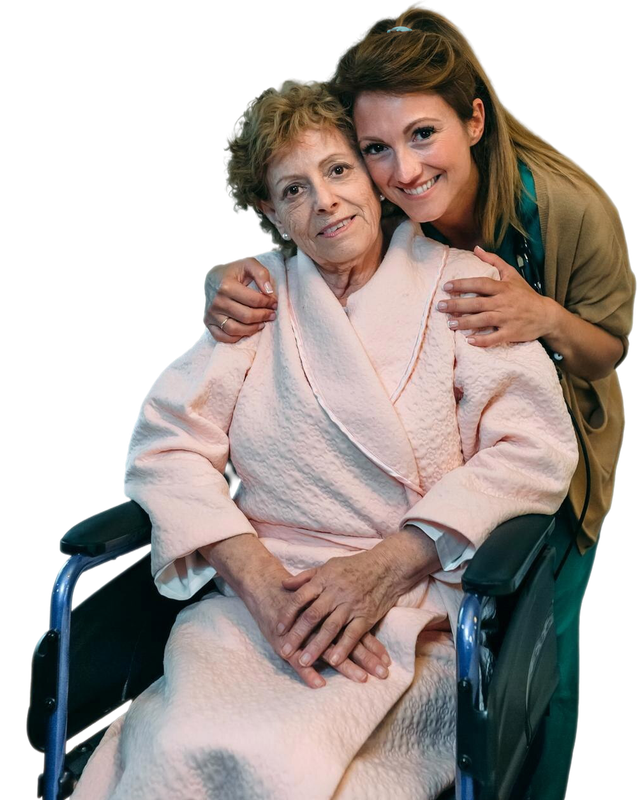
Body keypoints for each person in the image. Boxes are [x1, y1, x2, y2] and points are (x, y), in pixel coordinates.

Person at [71, 78, 577, 800]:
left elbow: (532, 448)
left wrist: (392, 564)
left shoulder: (462, 288)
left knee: (300, 769)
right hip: (260, 603)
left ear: (372, 180)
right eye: (294, 190)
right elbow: (164, 446)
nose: (326, 201)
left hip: (413, 608)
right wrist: (252, 574)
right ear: (271, 214)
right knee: (181, 750)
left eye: (338, 171)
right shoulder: (258, 301)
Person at [203, 6, 635, 798]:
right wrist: (221, 277)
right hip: (424, 471)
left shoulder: (570, 209)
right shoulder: (379, 197)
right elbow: (305, 219)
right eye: (374, 149)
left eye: (424, 136)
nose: (401, 171)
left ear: (474, 120)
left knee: (545, 652)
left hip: (558, 419)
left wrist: (545, 318)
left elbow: (609, 350)